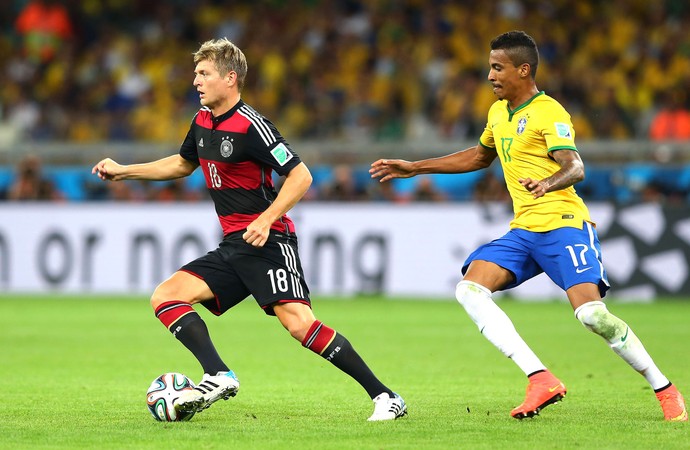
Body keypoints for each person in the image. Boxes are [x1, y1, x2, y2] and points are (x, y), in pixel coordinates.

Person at [370, 30, 687, 422]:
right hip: (523, 231)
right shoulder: (498, 113)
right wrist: (415, 167)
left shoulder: (549, 112)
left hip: (564, 224)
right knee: (469, 289)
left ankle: (664, 387)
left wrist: (548, 183)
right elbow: (479, 157)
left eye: (498, 67)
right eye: (490, 67)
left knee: (593, 316)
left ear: (524, 70)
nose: (490, 75)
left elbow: (575, 166)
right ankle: (540, 378)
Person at [92, 38, 406, 421]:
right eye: (195, 74)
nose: (196, 81)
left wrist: (267, 218)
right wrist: (124, 170)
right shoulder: (201, 122)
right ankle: (217, 374)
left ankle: (386, 397)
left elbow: (300, 175)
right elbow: (181, 163)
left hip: (269, 241)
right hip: (233, 244)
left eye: (204, 74)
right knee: (166, 296)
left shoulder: (252, 126)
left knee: (299, 325)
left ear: (230, 78)